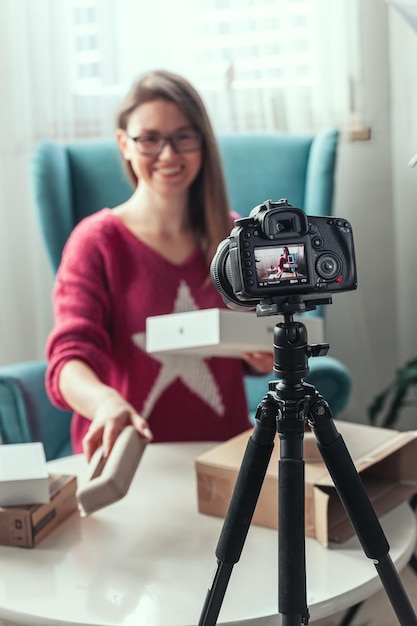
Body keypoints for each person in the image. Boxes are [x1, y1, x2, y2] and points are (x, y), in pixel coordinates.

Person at [45, 69, 273, 462]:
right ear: (124, 145)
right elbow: (69, 360)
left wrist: (262, 353)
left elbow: (259, 340)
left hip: (226, 454)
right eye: (150, 139)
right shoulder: (95, 242)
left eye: (183, 136)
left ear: (203, 143)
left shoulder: (236, 235)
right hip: (129, 458)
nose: (168, 155)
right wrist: (104, 403)